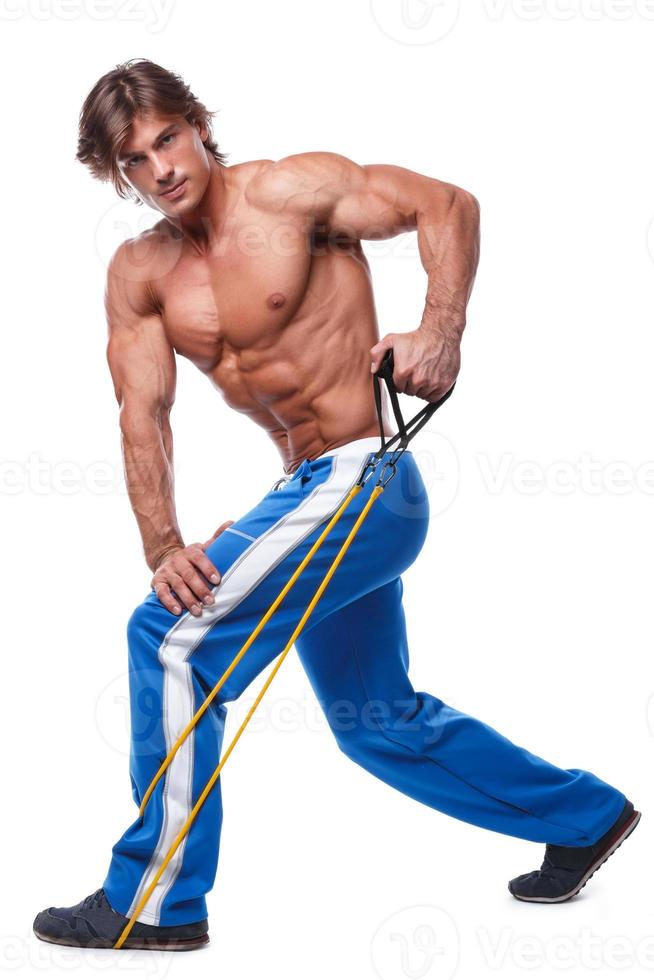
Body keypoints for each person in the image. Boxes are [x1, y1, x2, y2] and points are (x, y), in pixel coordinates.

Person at [33, 59, 639, 951]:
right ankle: (582, 815)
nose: (160, 167)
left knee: (166, 640)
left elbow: (449, 205)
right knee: (377, 722)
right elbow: (142, 414)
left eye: (167, 136)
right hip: (307, 494)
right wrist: (163, 545)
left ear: (199, 123)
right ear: (113, 175)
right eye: (133, 159)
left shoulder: (289, 192)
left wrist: (440, 329)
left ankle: (154, 903)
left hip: (365, 477)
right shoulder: (141, 274)